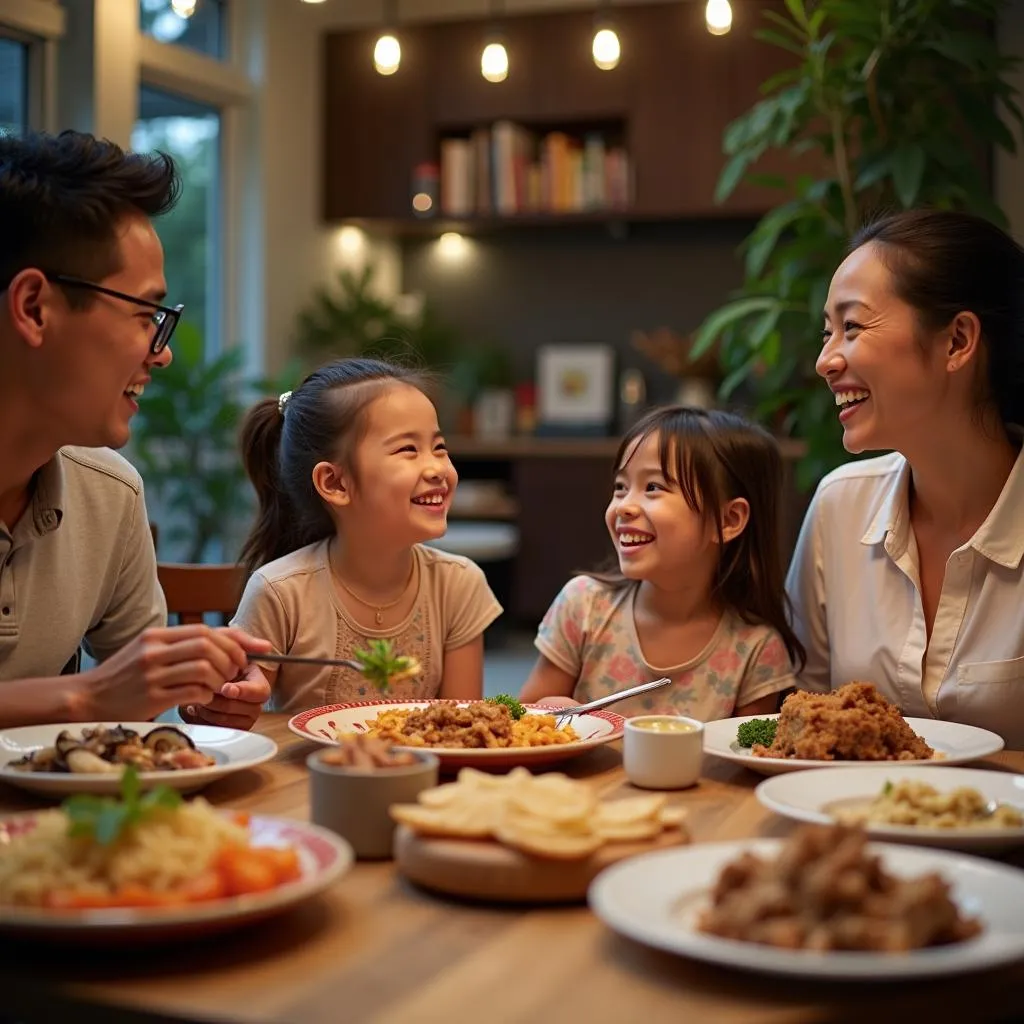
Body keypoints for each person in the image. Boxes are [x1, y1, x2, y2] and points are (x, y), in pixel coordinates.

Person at [0, 128, 271, 730]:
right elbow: (98, 697)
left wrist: (198, 692)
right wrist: (84, 698)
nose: (161, 352)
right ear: (34, 308)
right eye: (146, 313)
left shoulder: (109, 492)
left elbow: (134, 702)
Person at [787, 208, 1024, 747]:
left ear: (958, 341)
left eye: (852, 327)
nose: (825, 360)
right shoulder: (839, 508)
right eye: (827, 333)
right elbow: (800, 722)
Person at [231, 357, 502, 713]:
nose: (438, 468)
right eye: (408, 449)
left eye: (439, 447)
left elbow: (464, 726)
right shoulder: (279, 592)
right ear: (335, 482)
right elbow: (240, 721)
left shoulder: (459, 585)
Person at [519, 405, 803, 719]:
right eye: (621, 487)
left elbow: (743, 754)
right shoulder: (584, 606)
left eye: (653, 487)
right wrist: (556, 711)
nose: (624, 506)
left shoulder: (756, 648)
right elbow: (526, 717)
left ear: (728, 519)